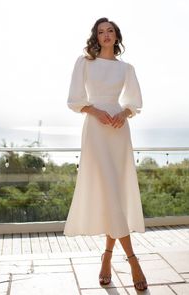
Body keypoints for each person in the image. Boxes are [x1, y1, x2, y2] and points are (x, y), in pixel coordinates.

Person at [64, 17, 148, 291]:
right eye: (101, 32)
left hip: (118, 132)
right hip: (96, 132)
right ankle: (133, 260)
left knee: (117, 194)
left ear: (116, 36)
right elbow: (75, 100)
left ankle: (108, 257)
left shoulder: (126, 68)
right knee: (111, 192)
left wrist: (123, 113)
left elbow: (134, 102)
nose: (106, 35)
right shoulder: (84, 63)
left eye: (110, 31)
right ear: (96, 37)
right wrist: (95, 110)